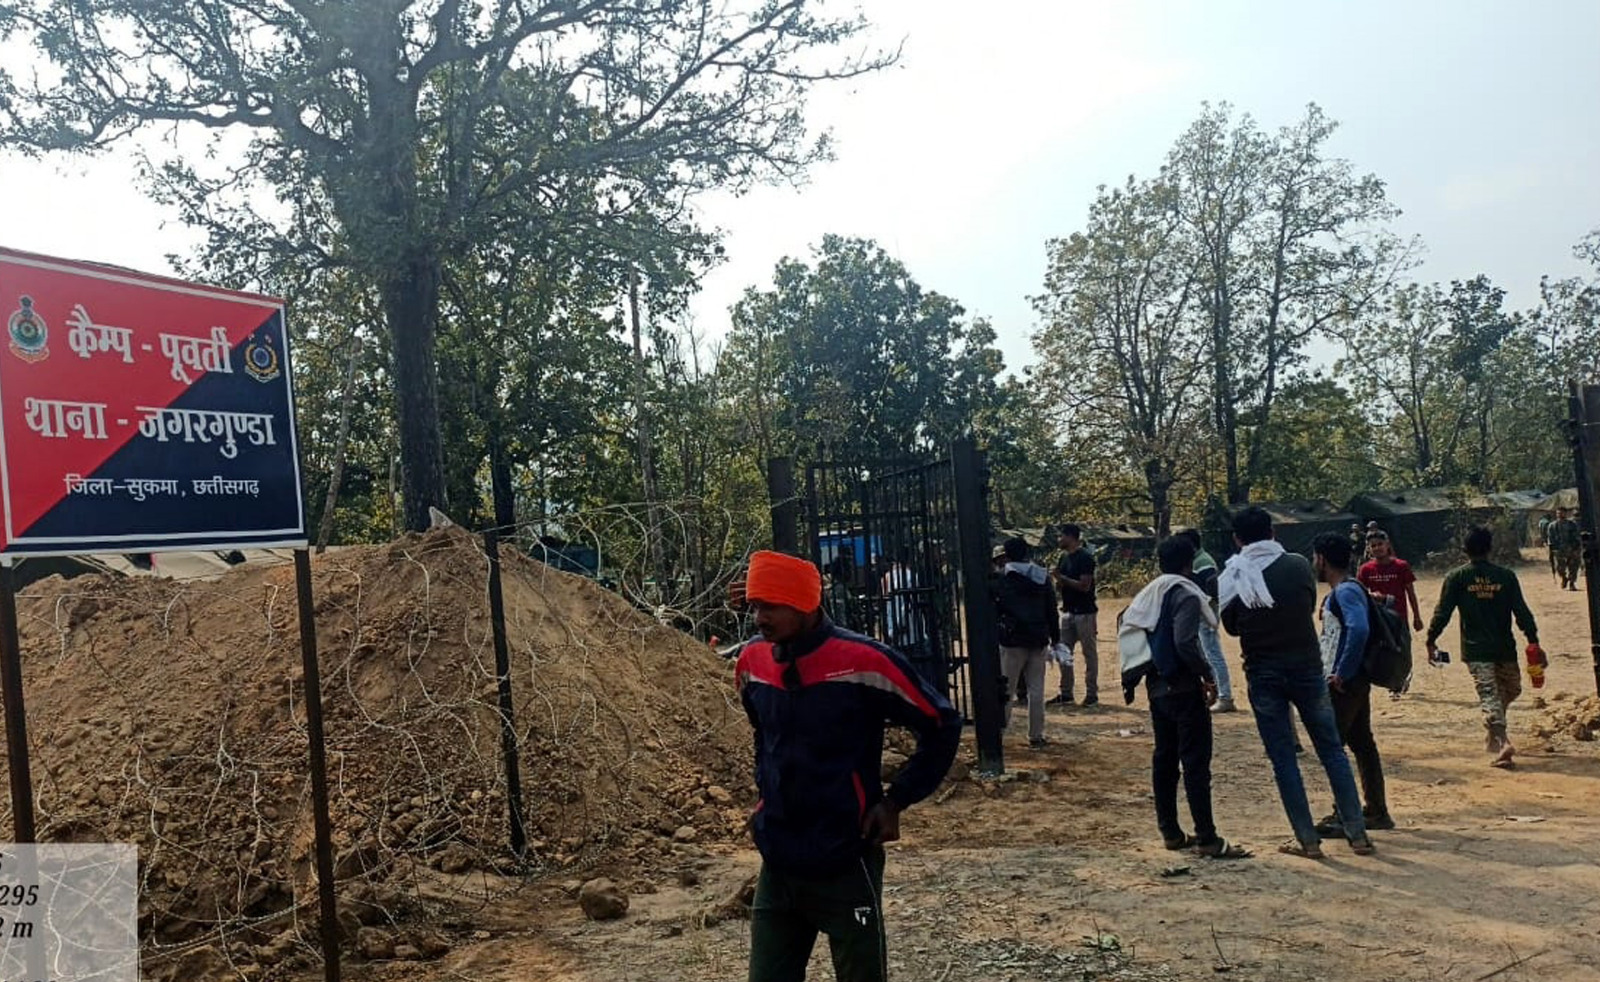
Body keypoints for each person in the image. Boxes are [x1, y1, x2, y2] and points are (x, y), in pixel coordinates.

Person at [731, 551, 962, 982]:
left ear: (806, 605)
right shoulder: (752, 661)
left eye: (772, 606)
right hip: (779, 858)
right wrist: (767, 795)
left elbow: (941, 723)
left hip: (845, 854)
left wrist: (896, 800)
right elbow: (762, 732)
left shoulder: (865, 662)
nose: (760, 618)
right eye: (755, 606)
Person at [1219, 507, 1374, 859]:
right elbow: (1306, 604)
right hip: (1306, 667)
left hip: (1262, 671)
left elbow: (1231, 627)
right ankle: (1357, 834)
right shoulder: (1298, 565)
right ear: (1272, 532)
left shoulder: (1232, 575)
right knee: (1332, 751)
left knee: (1283, 759)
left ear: (1237, 539)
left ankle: (1307, 841)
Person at [1122, 537, 1250, 859]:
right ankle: (1207, 837)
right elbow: (1184, 642)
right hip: (1183, 688)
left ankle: (1171, 832)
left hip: (1157, 687)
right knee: (1195, 764)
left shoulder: (1151, 594)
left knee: (1164, 759)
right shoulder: (1186, 595)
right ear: (1189, 563)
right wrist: (1206, 673)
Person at [1424, 527, 1545, 769]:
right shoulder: (1505, 576)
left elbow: (1442, 612)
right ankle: (1502, 742)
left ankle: (1496, 733)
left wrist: (1431, 639)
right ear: (1490, 548)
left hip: (1479, 649)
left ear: (1464, 550)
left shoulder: (1457, 577)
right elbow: (1522, 612)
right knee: (1498, 693)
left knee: (1505, 692)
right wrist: (1533, 640)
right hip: (1501, 648)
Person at [1312, 533, 1394, 834]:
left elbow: (1358, 629)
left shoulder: (1345, 591)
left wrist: (1342, 672)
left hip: (1345, 683)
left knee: (1333, 747)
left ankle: (1345, 815)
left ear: (1322, 559)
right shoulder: (1351, 588)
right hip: (1354, 679)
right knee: (1362, 743)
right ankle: (1376, 811)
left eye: (1314, 558)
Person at [991, 537, 1059, 749]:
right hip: (1038, 639)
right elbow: (1051, 610)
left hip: (1012, 641)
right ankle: (1036, 735)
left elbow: (995, 610)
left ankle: (998, 735)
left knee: (1007, 690)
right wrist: (1056, 639)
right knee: (1036, 690)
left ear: (1007, 555)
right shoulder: (1042, 576)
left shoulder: (1002, 578)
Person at [1178, 529, 1235, 713]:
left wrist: (1206, 607)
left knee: (1213, 654)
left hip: (1206, 614)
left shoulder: (1203, 562)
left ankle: (1225, 697)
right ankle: (1215, 693)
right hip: (1201, 613)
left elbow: (1211, 587)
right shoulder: (1197, 560)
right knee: (1205, 654)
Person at [1051, 524, 1099, 707]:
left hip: (1085, 612)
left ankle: (1092, 694)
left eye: (1061, 536)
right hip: (1068, 611)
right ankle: (1066, 693)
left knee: (1089, 653)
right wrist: (1059, 583)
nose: (1059, 540)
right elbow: (1063, 583)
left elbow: (1085, 586)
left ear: (1071, 537)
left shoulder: (1085, 557)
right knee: (1063, 653)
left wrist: (1061, 579)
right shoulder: (1063, 557)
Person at [1549, 507, 1582, 591]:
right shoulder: (1552, 526)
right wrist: (1552, 549)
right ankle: (1564, 578)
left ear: (1565, 514)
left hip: (1571, 549)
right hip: (1559, 550)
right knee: (1559, 568)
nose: (1559, 515)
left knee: (1573, 567)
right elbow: (1550, 538)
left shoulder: (1572, 524)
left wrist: (1576, 547)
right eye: (1558, 513)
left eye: (1561, 513)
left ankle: (1572, 583)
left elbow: (1577, 536)